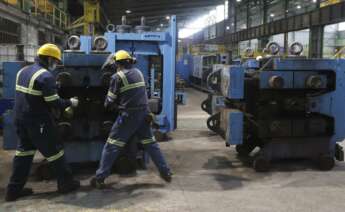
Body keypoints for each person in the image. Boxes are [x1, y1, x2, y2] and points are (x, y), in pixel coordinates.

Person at [5, 43, 80, 202]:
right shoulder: (46, 76)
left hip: (20, 119)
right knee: (55, 152)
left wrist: (53, 87)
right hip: (37, 122)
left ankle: (13, 190)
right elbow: (54, 102)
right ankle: (66, 184)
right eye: (55, 61)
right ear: (48, 58)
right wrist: (70, 102)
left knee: (23, 154)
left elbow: (33, 94)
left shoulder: (22, 71)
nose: (55, 64)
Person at [90, 50, 172, 189]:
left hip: (128, 117)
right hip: (144, 115)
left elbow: (109, 102)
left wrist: (110, 103)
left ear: (117, 63)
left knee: (111, 146)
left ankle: (100, 178)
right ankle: (166, 172)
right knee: (151, 144)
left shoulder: (117, 77)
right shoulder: (138, 73)